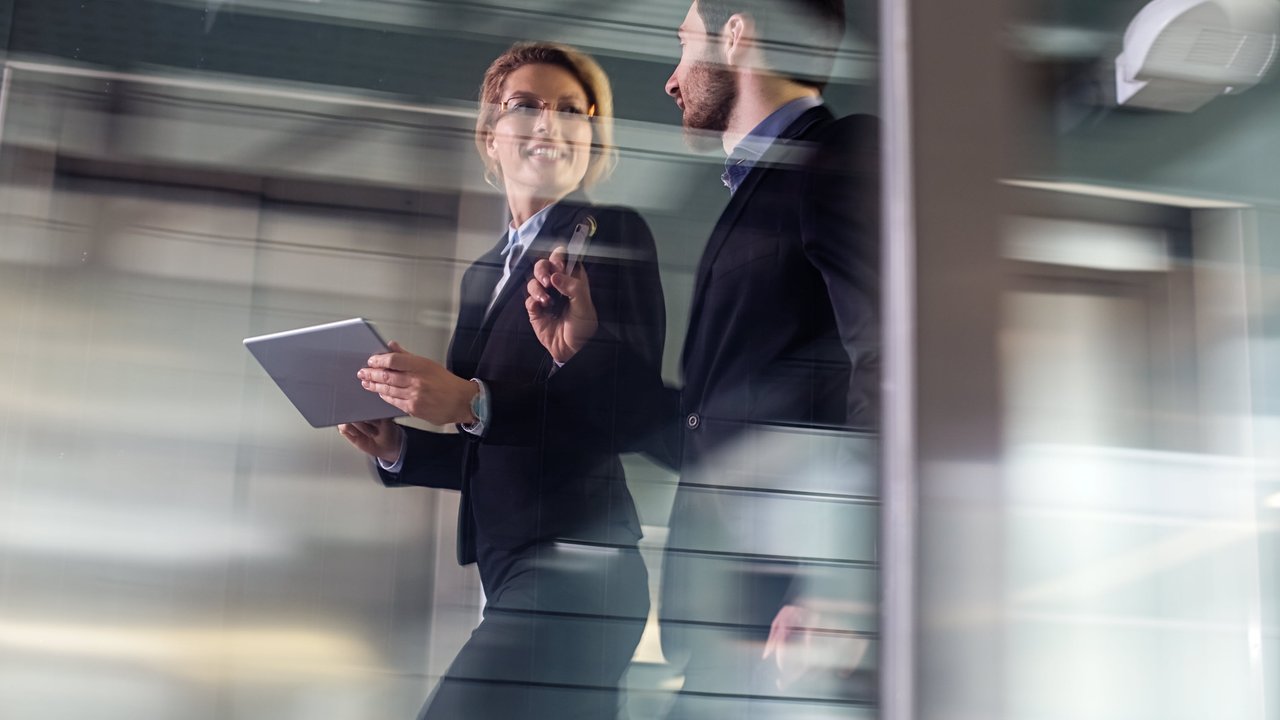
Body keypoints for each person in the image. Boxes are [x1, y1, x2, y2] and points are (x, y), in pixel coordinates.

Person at [526, 1, 879, 716]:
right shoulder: (766, 185)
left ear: (736, 35)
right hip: (732, 621)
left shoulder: (835, 156)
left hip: (792, 625)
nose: (671, 78)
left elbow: (893, 364)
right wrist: (587, 352)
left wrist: (839, 584)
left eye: (685, 43)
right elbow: (706, 435)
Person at [338, 41, 666, 720]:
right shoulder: (484, 274)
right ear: (491, 135)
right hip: (510, 567)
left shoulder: (609, 235)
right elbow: (495, 447)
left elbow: (623, 411)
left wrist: (471, 401)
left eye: (571, 110)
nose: (550, 123)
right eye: (526, 106)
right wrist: (398, 447)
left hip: (580, 564)